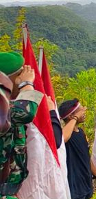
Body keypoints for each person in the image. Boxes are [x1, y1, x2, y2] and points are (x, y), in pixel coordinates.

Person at [0, 52, 43, 199]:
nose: (26, 76)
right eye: (21, 73)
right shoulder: (4, 109)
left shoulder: (10, 106)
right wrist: (26, 84)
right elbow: (26, 112)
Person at [58, 99, 96, 199]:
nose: (84, 113)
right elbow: (62, 138)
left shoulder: (81, 132)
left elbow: (85, 156)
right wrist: (75, 117)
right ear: (71, 116)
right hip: (73, 186)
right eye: (80, 111)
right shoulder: (65, 134)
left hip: (86, 183)